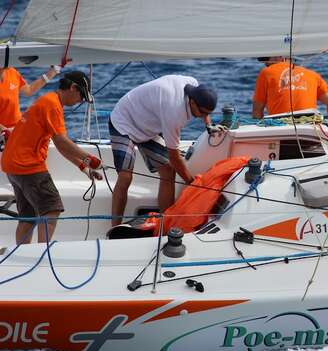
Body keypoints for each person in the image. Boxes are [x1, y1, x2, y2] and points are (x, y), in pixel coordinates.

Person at [1, 71, 103, 245]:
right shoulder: (53, 105)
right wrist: (91, 158)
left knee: (28, 216)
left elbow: (62, 147)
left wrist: (85, 168)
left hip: (12, 165)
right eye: (81, 96)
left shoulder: (48, 100)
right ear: (72, 88)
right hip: (27, 166)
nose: (81, 101)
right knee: (51, 209)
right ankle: (43, 254)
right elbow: (62, 142)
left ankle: (23, 252)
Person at [108, 75, 217, 226]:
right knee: (125, 177)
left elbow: (204, 108)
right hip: (124, 122)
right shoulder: (175, 112)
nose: (205, 116)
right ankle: (114, 227)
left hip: (148, 127)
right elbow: (174, 157)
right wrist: (192, 184)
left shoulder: (193, 85)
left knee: (168, 171)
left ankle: (166, 223)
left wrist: (208, 125)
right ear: (192, 102)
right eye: (203, 113)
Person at [252, 56, 328, 124]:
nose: (265, 64)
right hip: (311, 123)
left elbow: (257, 109)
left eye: (266, 59)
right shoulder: (312, 74)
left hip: (280, 123)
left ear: (280, 57)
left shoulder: (266, 72)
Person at [0, 65, 61, 131]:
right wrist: (5, 131)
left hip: (17, 126)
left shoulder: (12, 72)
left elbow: (29, 90)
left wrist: (53, 71)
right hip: (4, 132)